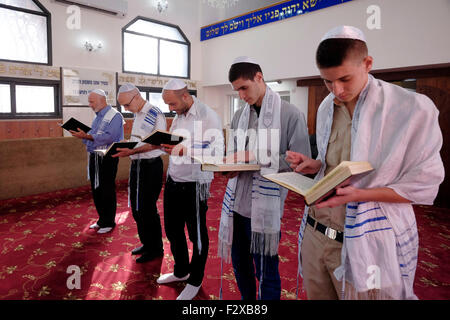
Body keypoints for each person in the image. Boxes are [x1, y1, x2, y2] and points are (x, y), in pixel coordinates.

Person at [285, 26, 445, 299]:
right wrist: (315, 164)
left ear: (368, 64)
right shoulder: (326, 107)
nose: (337, 90)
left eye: (345, 79)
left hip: (366, 238)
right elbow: (333, 164)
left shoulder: (410, 108)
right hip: (316, 231)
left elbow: (424, 184)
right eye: (327, 81)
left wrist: (362, 194)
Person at [218, 56, 311, 300]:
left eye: (243, 88)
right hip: (236, 205)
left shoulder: (290, 114)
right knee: (240, 265)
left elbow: (302, 163)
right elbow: (234, 154)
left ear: (259, 77)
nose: (240, 95)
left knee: (267, 270)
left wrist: (257, 158)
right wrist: (229, 166)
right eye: (236, 90)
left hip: (265, 208)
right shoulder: (239, 117)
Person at [156, 79, 224, 300]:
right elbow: (178, 145)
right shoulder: (179, 116)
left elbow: (216, 151)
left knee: (197, 236)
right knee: (173, 230)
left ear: (185, 97)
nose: (170, 109)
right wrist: (169, 147)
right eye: (168, 105)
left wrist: (185, 150)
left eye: (172, 104)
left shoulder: (208, 116)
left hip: (195, 184)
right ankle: (181, 271)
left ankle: (195, 280)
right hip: (174, 180)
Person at [113, 83, 166, 263]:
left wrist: (132, 151)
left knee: (147, 209)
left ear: (137, 96)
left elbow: (157, 144)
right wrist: (127, 144)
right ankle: (146, 243)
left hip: (150, 167)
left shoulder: (154, 113)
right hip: (138, 165)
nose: (126, 109)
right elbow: (139, 141)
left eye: (127, 105)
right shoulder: (138, 114)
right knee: (136, 209)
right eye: (123, 107)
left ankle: (156, 248)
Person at [70, 89, 124, 234]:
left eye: (91, 101)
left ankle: (109, 221)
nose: (90, 105)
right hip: (95, 156)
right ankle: (102, 219)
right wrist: (84, 135)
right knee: (96, 189)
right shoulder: (97, 117)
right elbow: (93, 135)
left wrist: (87, 136)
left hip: (107, 156)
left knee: (106, 189)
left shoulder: (115, 115)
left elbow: (110, 137)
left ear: (102, 100)